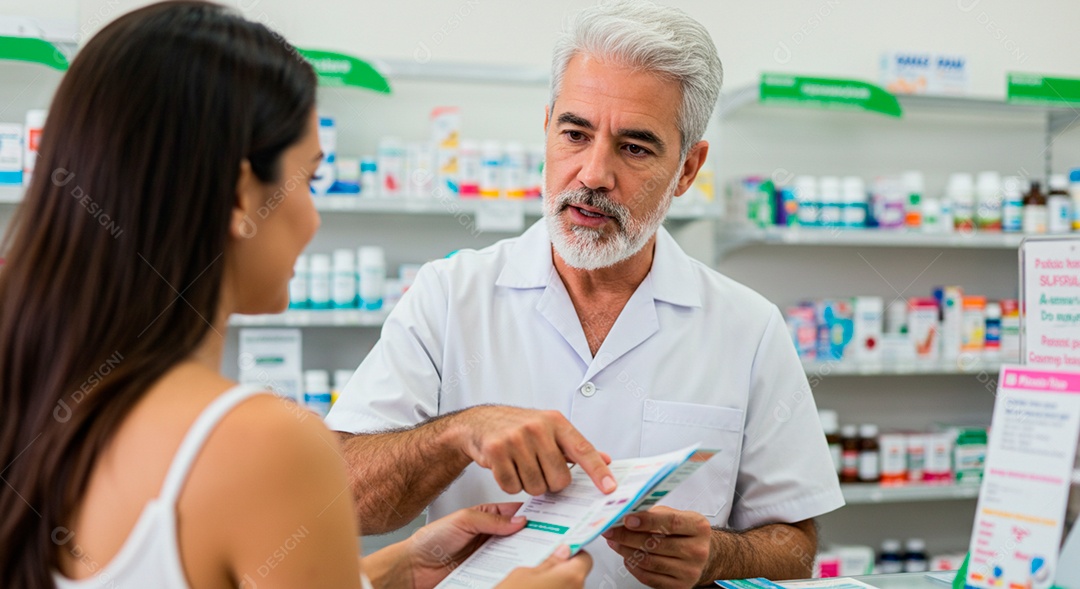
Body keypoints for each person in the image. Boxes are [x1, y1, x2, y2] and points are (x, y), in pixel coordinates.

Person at [0, 2, 592, 588]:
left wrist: (399, 566)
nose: (312, 218)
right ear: (239, 197)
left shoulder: (39, 394)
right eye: (308, 179)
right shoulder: (265, 443)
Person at [327, 1, 845, 586]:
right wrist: (456, 432)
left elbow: (795, 545)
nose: (593, 173)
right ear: (546, 128)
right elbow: (342, 499)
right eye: (575, 133)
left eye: (634, 147)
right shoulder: (450, 295)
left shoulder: (748, 326)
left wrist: (719, 557)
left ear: (688, 169)